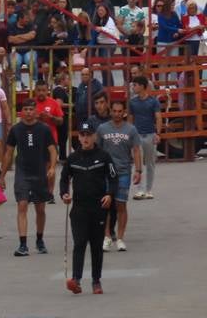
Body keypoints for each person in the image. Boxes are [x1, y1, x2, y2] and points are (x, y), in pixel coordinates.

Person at [60, 122, 118, 295]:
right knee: (79, 243)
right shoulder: (73, 158)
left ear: (94, 137)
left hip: (98, 208)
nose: (85, 138)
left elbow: (113, 178)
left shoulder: (104, 156)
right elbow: (64, 179)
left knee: (96, 246)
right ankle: (76, 280)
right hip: (79, 209)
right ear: (78, 137)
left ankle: (96, 281)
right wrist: (64, 194)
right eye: (82, 135)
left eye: (88, 135)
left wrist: (110, 194)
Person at [0, 98, 58, 257]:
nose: (28, 112)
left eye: (31, 109)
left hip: (40, 173)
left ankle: (39, 240)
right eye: (25, 109)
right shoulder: (16, 130)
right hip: (22, 173)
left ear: (36, 111)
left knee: (40, 209)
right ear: (21, 112)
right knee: (22, 206)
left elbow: (53, 150)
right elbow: (8, 153)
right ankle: (23, 244)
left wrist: (52, 167)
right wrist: (2, 176)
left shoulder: (44, 129)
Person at [97, 100, 143, 251]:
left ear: (124, 112)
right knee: (106, 205)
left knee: (121, 204)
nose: (117, 114)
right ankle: (107, 236)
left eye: (119, 111)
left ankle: (121, 238)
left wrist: (138, 170)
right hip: (105, 172)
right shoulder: (102, 129)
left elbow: (136, 150)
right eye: (114, 111)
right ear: (110, 111)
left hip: (123, 171)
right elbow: (97, 150)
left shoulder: (131, 130)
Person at [128, 75, 162, 200]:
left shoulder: (153, 101)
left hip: (150, 134)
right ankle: (139, 190)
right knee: (137, 163)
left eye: (135, 85)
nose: (133, 87)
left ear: (142, 86)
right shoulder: (132, 102)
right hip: (137, 136)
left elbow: (158, 117)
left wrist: (158, 133)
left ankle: (149, 189)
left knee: (150, 163)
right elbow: (130, 119)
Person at [33, 81, 64, 201]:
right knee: (35, 167)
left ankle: (50, 193)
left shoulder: (53, 103)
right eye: (39, 90)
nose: (41, 93)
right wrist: (36, 117)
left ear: (47, 91)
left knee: (50, 167)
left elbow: (61, 121)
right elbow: (24, 119)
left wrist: (51, 118)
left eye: (43, 90)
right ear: (35, 90)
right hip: (34, 139)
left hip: (51, 140)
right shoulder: (31, 103)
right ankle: (37, 192)